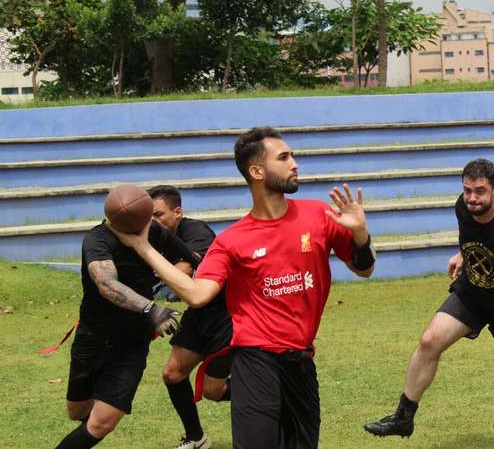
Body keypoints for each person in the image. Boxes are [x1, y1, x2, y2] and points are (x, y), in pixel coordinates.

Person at [111, 127, 375, 449]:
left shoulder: (318, 215)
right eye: (284, 157)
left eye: (292, 155)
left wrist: (360, 234)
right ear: (257, 171)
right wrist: (144, 247)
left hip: (302, 363)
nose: (295, 163)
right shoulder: (233, 240)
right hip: (255, 362)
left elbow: (364, 268)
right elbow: (196, 294)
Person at [364, 158, 494, 440]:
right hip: (473, 294)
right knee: (429, 341)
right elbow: (476, 235)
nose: (472, 198)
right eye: (467, 190)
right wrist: (464, 254)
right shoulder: (463, 207)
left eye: (480, 191)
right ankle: (403, 418)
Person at [55, 219, 195, 448]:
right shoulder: (97, 239)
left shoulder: (154, 231)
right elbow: (107, 284)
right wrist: (151, 309)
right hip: (92, 338)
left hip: (132, 344)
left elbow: (187, 257)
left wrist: (166, 274)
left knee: (102, 423)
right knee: (77, 411)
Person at [148, 185, 230, 449]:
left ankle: (278, 398)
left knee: (213, 391)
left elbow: (182, 273)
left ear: (178, 212)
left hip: (227, 315)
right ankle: (197, 438)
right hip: (199, 313)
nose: (153, 222)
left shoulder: (197, 232)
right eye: (148, 216)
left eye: (159, 215)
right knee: (172, 374)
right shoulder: (154, 238)